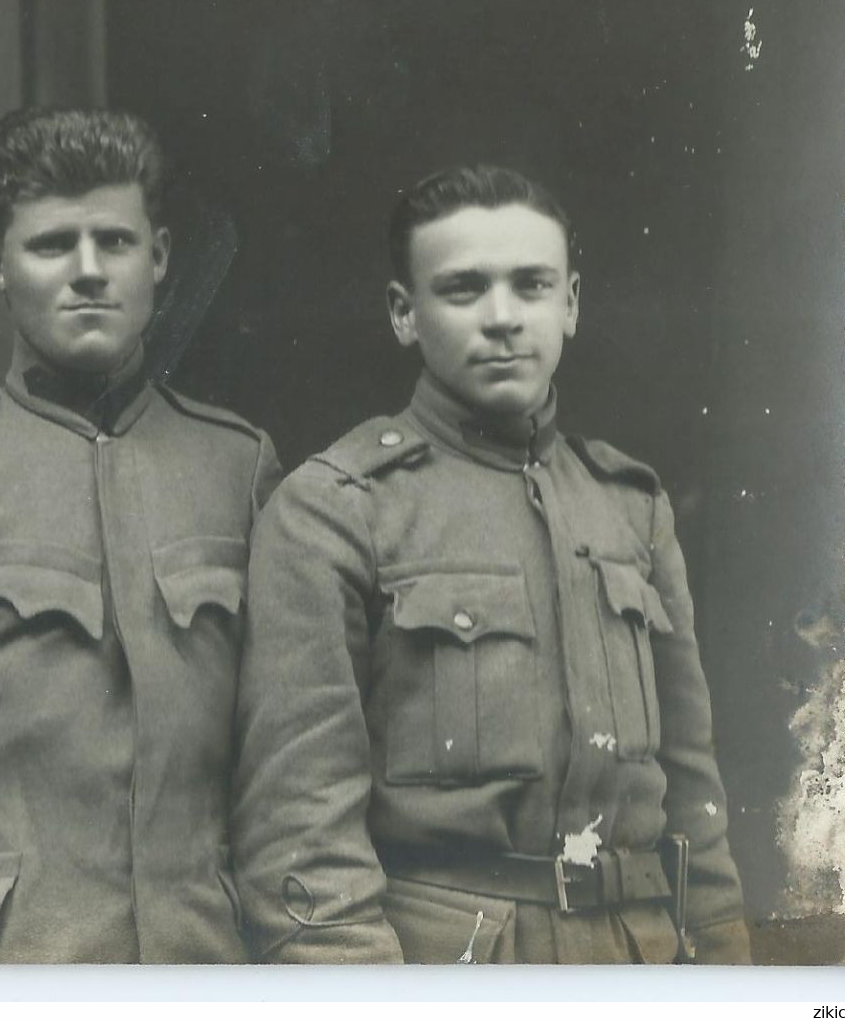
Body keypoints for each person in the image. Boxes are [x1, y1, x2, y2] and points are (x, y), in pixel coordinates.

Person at [232, 164, 750, 964]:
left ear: (570, 303)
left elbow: (692, 796)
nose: (503, 317)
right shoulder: (336, 509)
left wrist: (724, 976)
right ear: (405, 313)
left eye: (531, 285)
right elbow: (300, 831)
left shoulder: (629, 505)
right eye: (464, 289)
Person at [0, 108, 282, 963]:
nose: (87, 272)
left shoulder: (237, 466)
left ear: (160, 259)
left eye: (114, 241)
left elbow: (281, 762)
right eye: (49, 246)